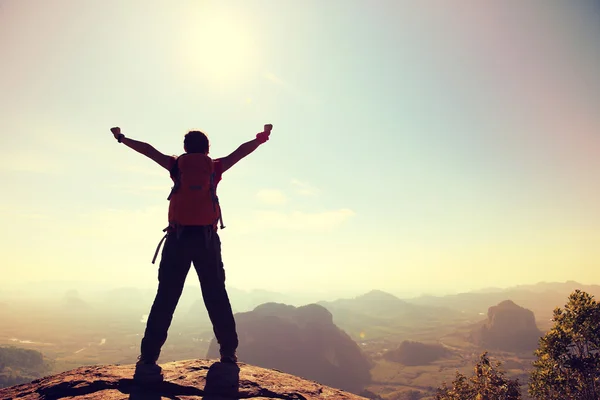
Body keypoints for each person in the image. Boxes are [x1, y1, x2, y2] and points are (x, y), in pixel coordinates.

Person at [109, 124, 273, 379]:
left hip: (178, 238)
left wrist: (122, 138)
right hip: (207, 240)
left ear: (185, 148)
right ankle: (228, 352)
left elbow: (149, 151)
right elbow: (241, 152)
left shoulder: (176, 166)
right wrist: (261, 138)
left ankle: (149, 356)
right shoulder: (214, 167)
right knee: (216, 294)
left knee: (166, 296)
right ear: (207, 149)